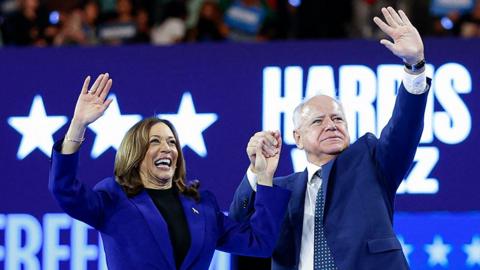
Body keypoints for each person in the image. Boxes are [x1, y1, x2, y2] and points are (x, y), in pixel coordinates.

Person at [229, 7, 429, 270]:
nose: (331, 125)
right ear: (297, 138)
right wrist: (257, 173)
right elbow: (238, 226)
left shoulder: (370, 161)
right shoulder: (279, 191)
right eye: (317, 121)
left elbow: (404, 129)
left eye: (337, 119)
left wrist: (414, 67)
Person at [49, 73, 291, 270]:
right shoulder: (113, 197)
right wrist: (78, 126)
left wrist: (264, 176)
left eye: (172, 142)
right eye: (155, 141)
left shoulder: (203, 205)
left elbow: (259, 243)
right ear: (135, 153)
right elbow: (64, 189)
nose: (167, 148)